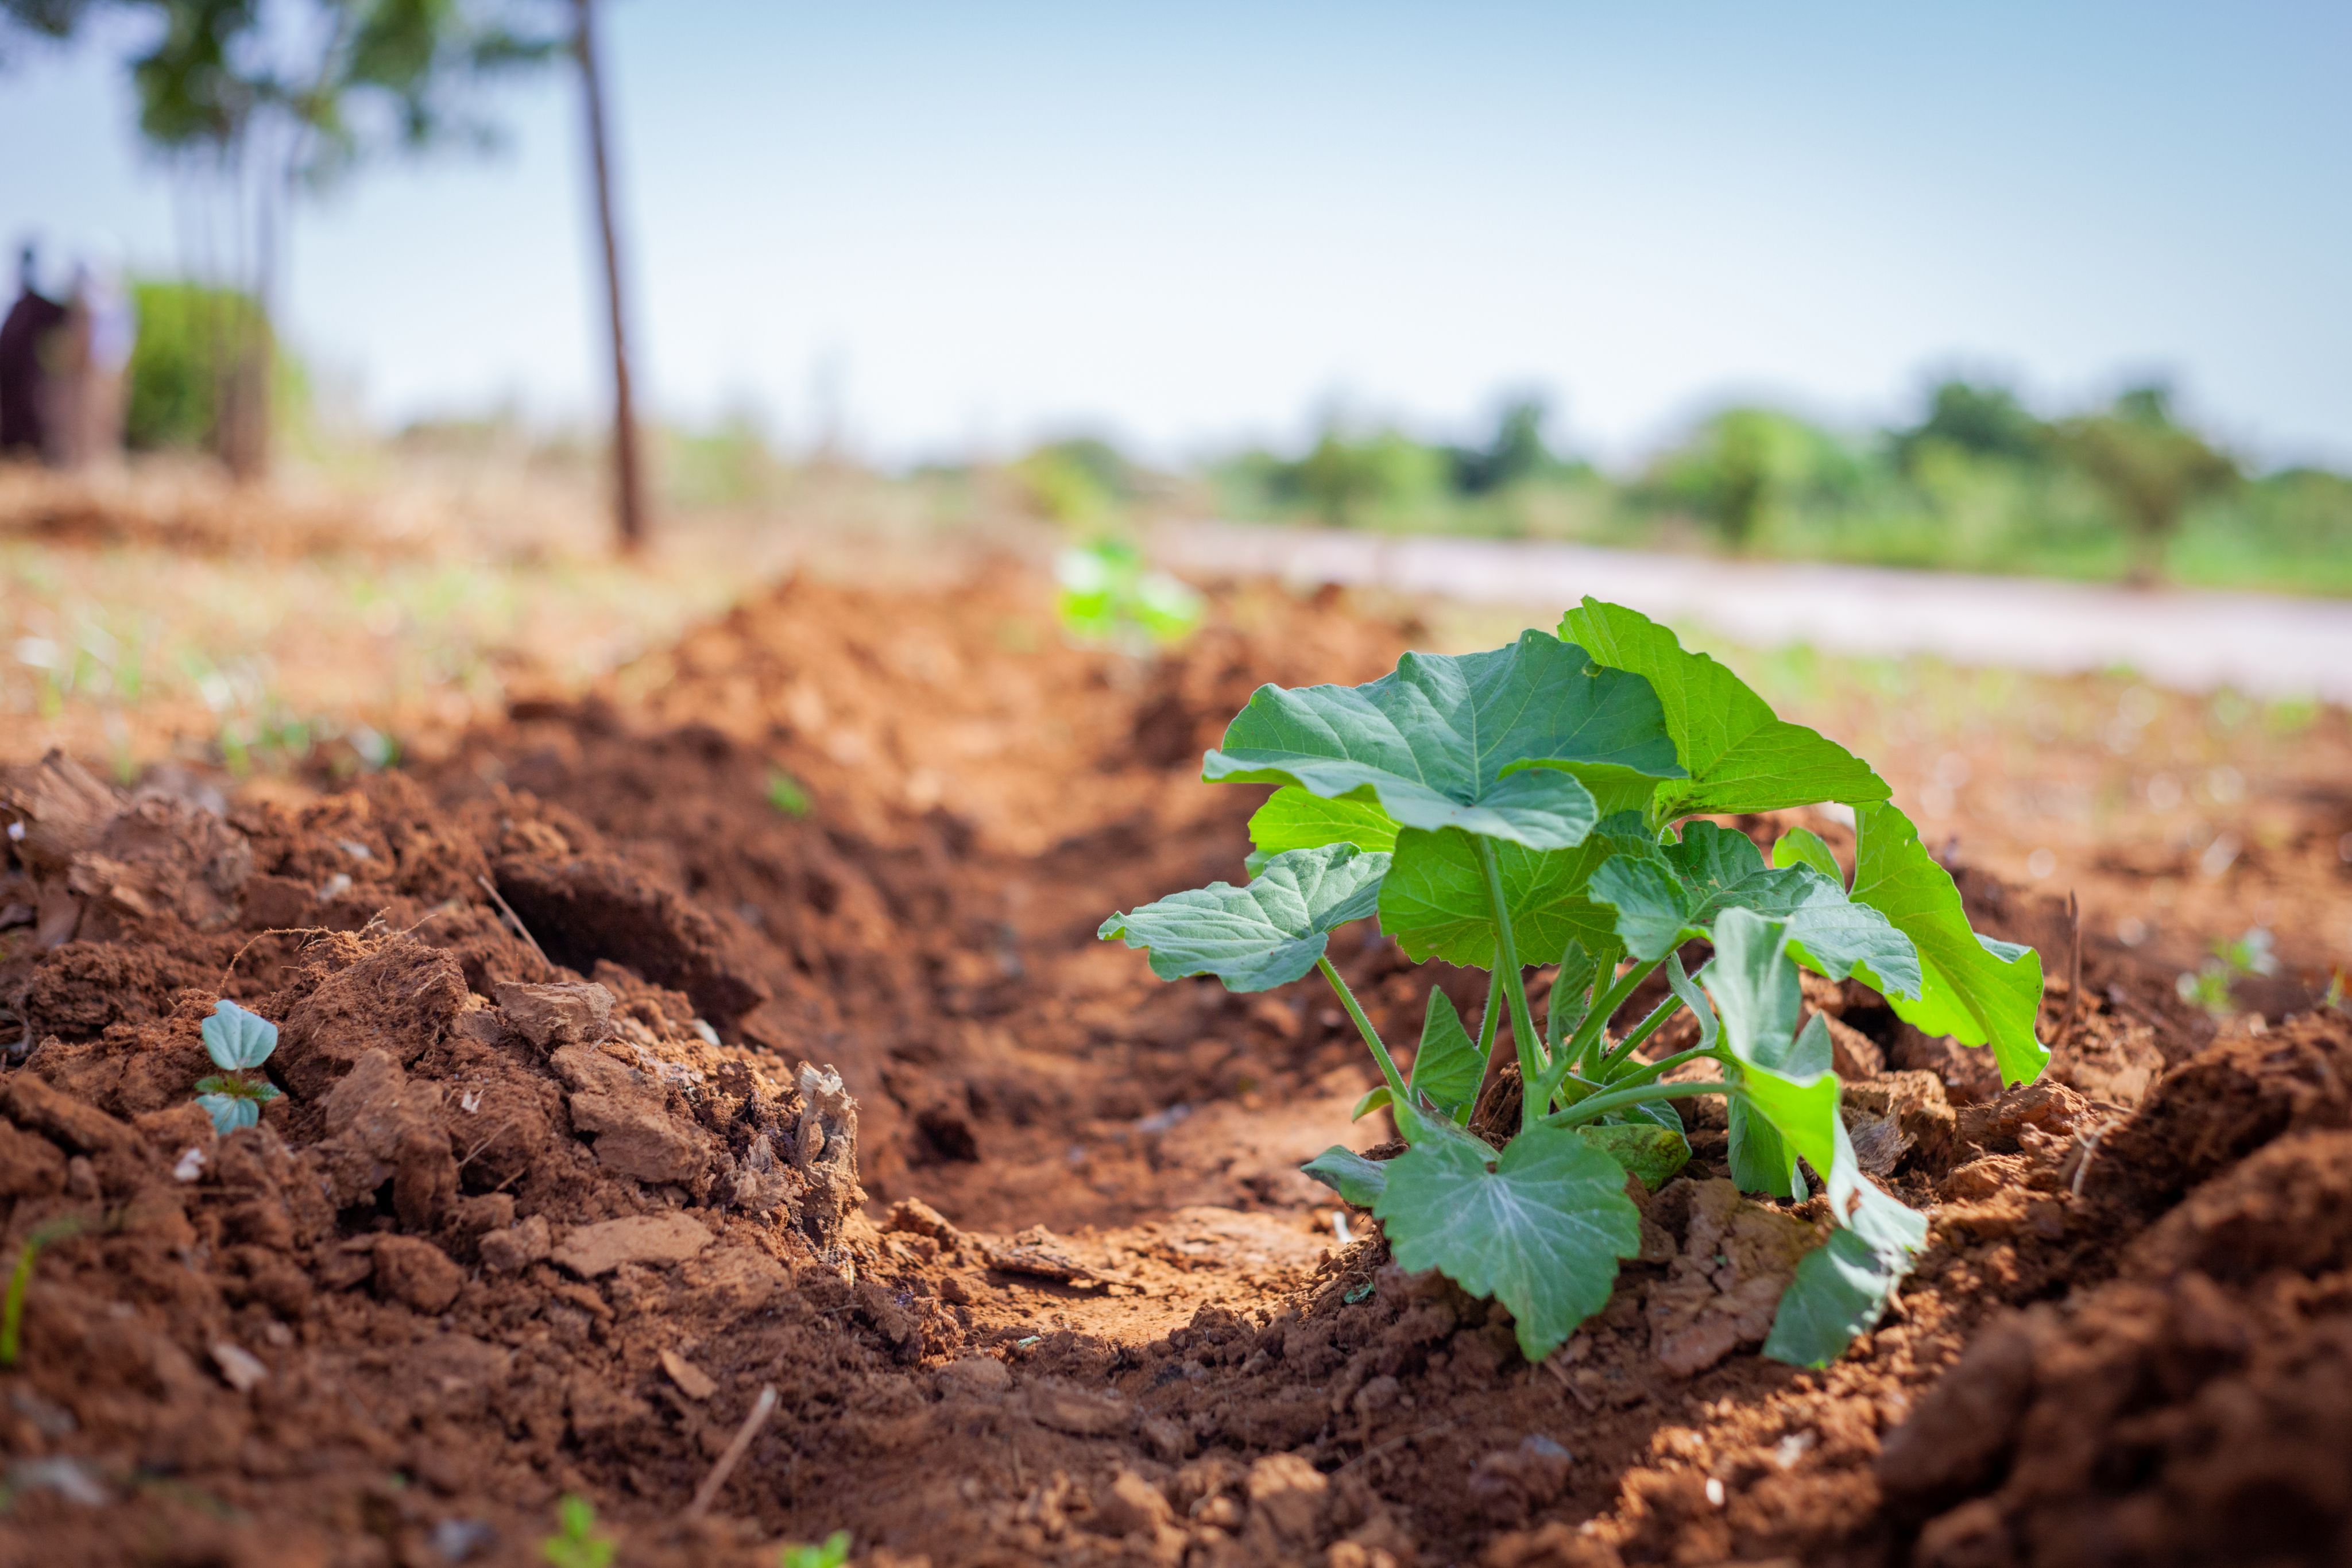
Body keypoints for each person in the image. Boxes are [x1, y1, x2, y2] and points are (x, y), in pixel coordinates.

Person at [0, 243, 67, 458]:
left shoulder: (38, 305)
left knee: (32, 412)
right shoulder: (18, 306)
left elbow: (67, 323)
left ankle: (33, 453)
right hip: (11, 375)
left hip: (29, 375)